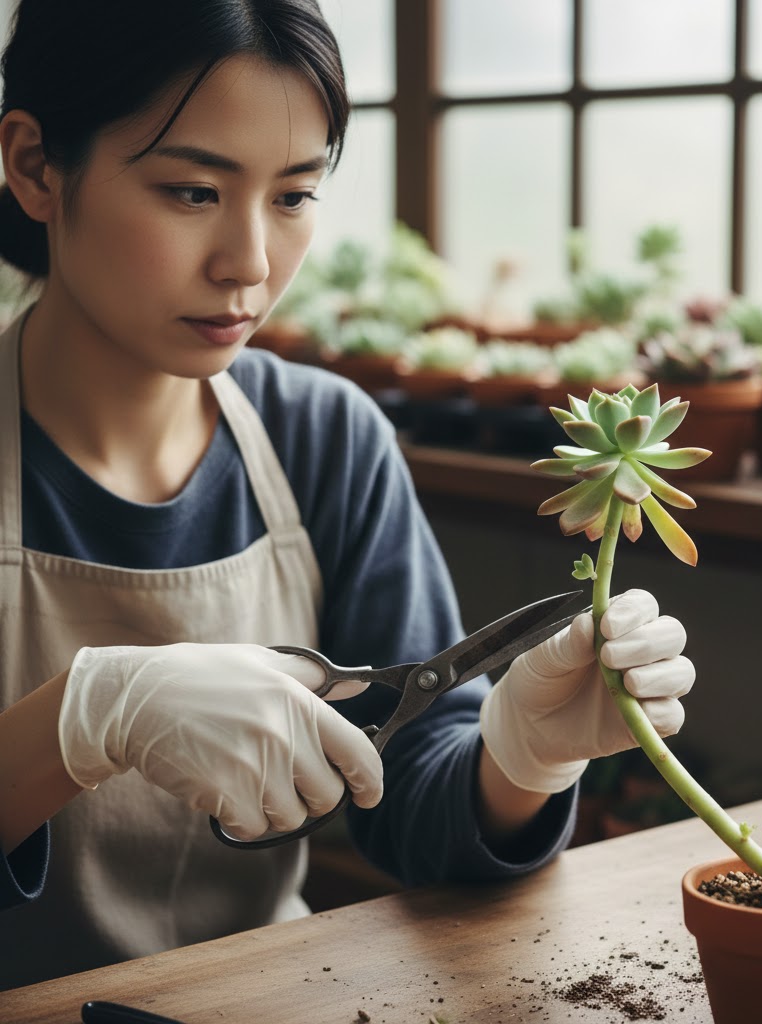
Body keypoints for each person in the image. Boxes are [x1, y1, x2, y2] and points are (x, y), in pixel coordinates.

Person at [0, 0, 696, 991]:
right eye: (193, 191)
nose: (248, 264)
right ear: (34, 165)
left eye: (292, 197)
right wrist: (80, 717)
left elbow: (409, 797)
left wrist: (519, 762)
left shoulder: (325, 438)